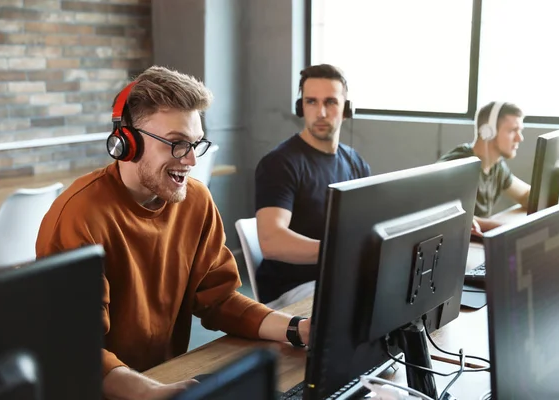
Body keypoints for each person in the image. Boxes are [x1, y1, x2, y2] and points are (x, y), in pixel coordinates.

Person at [36, 66, 311, 400]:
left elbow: (218, 299)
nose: (192, 159)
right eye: (178, 144)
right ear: (127, 142)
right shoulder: (79, 216)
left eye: (196, 144)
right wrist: (151, 392)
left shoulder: (196, 200)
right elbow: (76, 348)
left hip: (167, 379)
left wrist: (297, 329)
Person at [254, 64, 371, 307]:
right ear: (301, 107)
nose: (320, 112)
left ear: (346, 109)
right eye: (311, 102)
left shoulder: (356, 163)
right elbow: (271, 242)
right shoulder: (280, 164)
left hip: (337, 279)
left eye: (330, 102)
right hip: (292, 290)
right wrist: (338, 252)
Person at [439, 101, 530, 234]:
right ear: (488, 131)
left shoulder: (496, 166)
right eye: (512, 130)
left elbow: (525, 195)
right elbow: (445, 215)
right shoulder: (458, 165)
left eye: (520, 131)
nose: (519, 138)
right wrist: (502, 227)